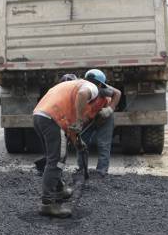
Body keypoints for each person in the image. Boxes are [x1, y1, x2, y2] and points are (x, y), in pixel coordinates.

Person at [32, 68, 115, 218]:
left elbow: (70, 128)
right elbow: (83, 96)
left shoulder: (71, 87)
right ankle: (47, 204)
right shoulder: (91, 87)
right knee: (57, 160)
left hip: (39, 116)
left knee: (54, 157)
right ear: (101, 85)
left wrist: (77, 141)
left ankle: (59, 189)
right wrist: (79, 121)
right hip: (52, 118)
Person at [76, 69, 121, 177]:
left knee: (103, 143)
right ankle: (82, 169)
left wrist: (109, 109)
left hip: (104, 117)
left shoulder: (103, 90)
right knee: (82, 142)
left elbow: (118, 93)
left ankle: (101, 170)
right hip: (87, 119)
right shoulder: (83, 90)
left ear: (101, 84)